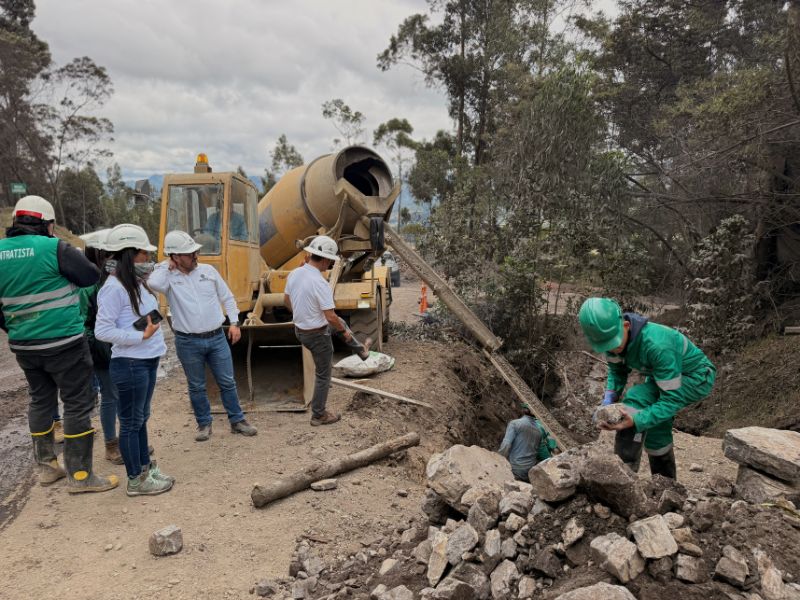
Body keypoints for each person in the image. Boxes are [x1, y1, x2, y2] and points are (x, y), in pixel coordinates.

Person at [0, 195, 117, 493]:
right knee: (77, 403)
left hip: (24, 345)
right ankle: (81, 476)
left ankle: (48, 468)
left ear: (16, 222)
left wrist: (16, 327)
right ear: (48, 225)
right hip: (64, 341)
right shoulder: (53, 247)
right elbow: (90, 275)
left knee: (40, 400)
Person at [578, 297, 716, 479]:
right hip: (661, 375)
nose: (613, 350)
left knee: (637, 399)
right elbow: (617, 371)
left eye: (615, 344)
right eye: (607, 346)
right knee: (656, 421)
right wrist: (608, 399)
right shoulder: (612, 340)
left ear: (626, 325)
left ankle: (622, 477)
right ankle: (665, 485)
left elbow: (672, 400)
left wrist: (635, 420)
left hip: (696, 377)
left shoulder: (657, 346)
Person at [148, 230, 257, 441]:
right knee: (196, 385)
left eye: (195, 252)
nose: (195, 256)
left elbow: (227, 297)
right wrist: (165, 265)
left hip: (217, 337)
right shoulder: (168, 278)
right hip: (187, 341)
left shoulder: (208, 271)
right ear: (176, 257)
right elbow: (153, 283)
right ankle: (204, 424)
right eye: (189, 254)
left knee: (227, 381)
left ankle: (237, 420)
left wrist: (234, 323)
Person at [95, 224, 174, 496]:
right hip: (130, 363)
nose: (147, 260)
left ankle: (145, 468)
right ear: (129, 255)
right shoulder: (113, 288)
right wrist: (139, 337)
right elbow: (102, 331)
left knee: (140, 419)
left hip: (145, 361)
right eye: (143, 254)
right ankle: (135, 480)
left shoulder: (134, 284)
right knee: (130, 422)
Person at [284, 235, 372, 426]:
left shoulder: (295, 274)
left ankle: (361, 351)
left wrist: (301, 314)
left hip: (301, 330)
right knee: (324, 373)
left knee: (339, 321)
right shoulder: (320, 283)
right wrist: (345, 333)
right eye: (330, 261)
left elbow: (286, 301)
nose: (331, 265)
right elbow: (330, 316)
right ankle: (318, 414)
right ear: (323, 259)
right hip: (316, 334)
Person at [78, 228, 123, 464]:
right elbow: (83, 322)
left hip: (119, 345)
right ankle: (111, 445)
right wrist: (95, 346)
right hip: (102, 349)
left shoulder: (113, 280)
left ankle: (126, 439)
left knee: (122, 393)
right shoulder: (88, 286)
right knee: (110, 395)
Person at [498, 403, 557, 481]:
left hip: (515, 468)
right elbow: (541, 452)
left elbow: (506, 445)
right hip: (528, 473)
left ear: (523, 410)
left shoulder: (515, 424)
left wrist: (497, 460)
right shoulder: (539, 432)